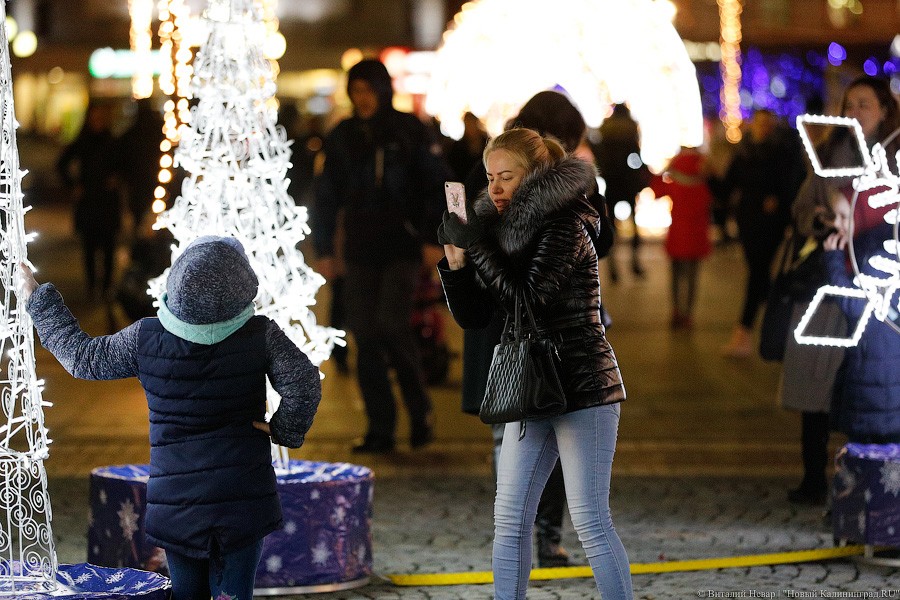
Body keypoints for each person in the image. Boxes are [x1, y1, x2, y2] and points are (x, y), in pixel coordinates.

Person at [17, 236, 322, 600]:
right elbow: (304, 384)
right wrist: (283, 429)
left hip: (178, 504)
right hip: (243, 497)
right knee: (236, 592)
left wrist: (37, 298)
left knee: (186, 593)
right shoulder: (261, 335)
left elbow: (81, 357)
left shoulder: (145, 338)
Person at [438, 128, 632, 599]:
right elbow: (477, 317)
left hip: (582, 385)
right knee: (509, 520)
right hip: (530, 385)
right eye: (490, 178)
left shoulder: (565, 223)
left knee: (590, 520)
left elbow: (526, 299)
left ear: (536, 174)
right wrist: (457, 264)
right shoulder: (498, 230)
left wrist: (478, 246)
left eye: (507, 176)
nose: (496, 187)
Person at [312, 58, 451, 453]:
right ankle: (380, 427)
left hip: (402, 244)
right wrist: (324, 248)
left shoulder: (408, 130)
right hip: (360, 246)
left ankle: (419, 412)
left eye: (369, 90)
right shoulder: (342, 135)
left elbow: (436, 183)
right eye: (356, 91)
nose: (363, 98)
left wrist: (432, 237)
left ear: (383, 90)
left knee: (392, 325)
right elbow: (326, 194)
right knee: (364, 333)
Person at [783, 75, 900, 503]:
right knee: (816, 383)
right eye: (849, 104)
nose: (854, 112)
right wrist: (825, 216)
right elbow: (801, 211)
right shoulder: (829, 157)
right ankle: (815, 477)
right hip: (831, 280)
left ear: (884, 111)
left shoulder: (895, 158)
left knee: (876, 386)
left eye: (864, 104)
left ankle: (871, 483)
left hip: (883, 286)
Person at [720, 109, 807, 357]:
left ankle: (744, 331)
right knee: (761, 278)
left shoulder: (784, 151)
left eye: (768, 124)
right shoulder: (744, 152)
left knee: (757, 274)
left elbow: (794, 182)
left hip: (771, 222)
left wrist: (779, 200)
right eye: (759, 123)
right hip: (747, 221)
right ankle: (784, 327)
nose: (763, 128)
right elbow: (727, 186)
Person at [822, 192, 900, 444]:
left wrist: (833, 263)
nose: (836, 223)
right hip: (881, 370)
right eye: (834, 216)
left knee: (873, 452)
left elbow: (857, 307)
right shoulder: (880, 243)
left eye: (844, 216)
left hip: (877, 374)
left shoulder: (877, 253)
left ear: (863, 213)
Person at [56, 101, 123, 301]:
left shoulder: (113, 142)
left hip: (108, 202)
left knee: (109, 247)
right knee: (89, 247)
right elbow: (61, 165)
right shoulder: (82, 141)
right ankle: (92, 287)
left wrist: (116, 178)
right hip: (88, 202)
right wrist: (73, 185)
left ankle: (107, 287)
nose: (97, 121)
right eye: (94, 117)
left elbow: (125, 167)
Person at [650, 146, 713, 329]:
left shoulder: (675, 182)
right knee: (693, 276)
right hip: (697, 236)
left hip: (677, 235)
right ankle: (688, 314)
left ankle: (676, 311)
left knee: (676, 275)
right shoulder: (704, 182)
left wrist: (665, 169)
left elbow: (656, 191)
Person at [594, 103, 650, 281]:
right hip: (628, 183)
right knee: (634, 224)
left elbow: (600, 157)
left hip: (612, 182)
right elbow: (636, 157)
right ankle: (635, 264)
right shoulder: (631, 129)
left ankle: (613, 269)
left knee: (612, 226)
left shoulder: (606, 130)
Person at [116, 97, 165, 235]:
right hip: (156, 181)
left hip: (139, 185)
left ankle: (143, 242)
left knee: (140, 221)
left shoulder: (131, 134)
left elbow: (122, 160)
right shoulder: (160, 132)